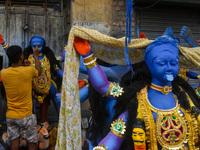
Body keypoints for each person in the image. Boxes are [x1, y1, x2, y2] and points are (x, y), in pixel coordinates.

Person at [73, 36, 200, 149]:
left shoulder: (188, 97)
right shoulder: (137, 101)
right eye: (161, 63)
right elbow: (105, 87)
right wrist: (88, 56)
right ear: (149, 65)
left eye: (174, 63)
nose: (169, 68)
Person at [1, 45, 41, 150]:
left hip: (11, 116)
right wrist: (36, 56)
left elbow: (17, 72)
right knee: (32, 143)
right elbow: (38, 71)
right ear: (21, 56)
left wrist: (22, 64)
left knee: (14, 145)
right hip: (26, 116)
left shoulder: (3, 73)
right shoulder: (29, 71)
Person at [23, 35, 62, 127]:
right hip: (32, 84)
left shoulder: (48, 57)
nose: (36, 48)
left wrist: (65, 77)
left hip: (47, 83)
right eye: (34, 46)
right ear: (30, 46)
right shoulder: (27, 58)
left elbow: (55, 68)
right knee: (30, 103)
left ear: (43, 46)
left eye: (39, 46)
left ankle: (62, 120)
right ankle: (30, 124)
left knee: (57, 98)